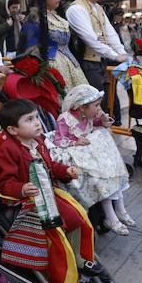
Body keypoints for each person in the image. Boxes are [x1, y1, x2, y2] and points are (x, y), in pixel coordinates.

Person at [0, 99, 97, 283]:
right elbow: (4, 182)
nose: (37, 122)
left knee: (78, 215)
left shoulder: (38, 142)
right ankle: (65, 269)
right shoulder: (9, 150)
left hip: (48, 193)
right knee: (63, 223)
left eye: (36, 117)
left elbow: (50, 166)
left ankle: (77, 258)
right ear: (13, 130)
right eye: (29, 119)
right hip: (29, 202)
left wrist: (66, 170)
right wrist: (22, 188)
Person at [49, 85, 133, 236]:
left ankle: (120, 209)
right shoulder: (66, 119)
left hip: (91, 155)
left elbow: (94, 126)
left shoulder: (88, 116)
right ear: (82, 107)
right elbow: (58, 140)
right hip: (79, 158)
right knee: (103, 178)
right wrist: (74, 142)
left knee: (114, 171)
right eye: (96, 106)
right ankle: (111, 217)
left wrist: (103, 121)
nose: (98, 109)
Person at [65, 0, 128, 123]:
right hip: (85, 64)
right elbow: (91, 39)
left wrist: (122, 53)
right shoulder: (76, 9)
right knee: (90, 106)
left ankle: (101, 138)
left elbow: (110, 34)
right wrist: (115, 56)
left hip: (99, 63)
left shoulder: (98, 8)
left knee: (102, 104)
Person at [19, 0, 89, 90]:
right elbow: (29, 48)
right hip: (51, 66)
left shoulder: (59, 17)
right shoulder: (35, 18)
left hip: (71, 64)